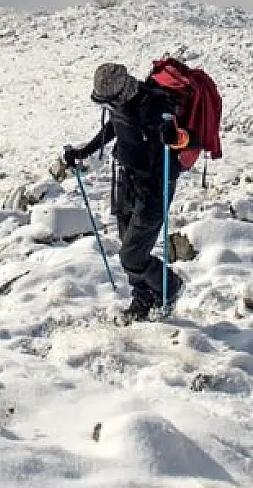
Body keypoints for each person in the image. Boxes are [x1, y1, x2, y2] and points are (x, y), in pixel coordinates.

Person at [62, 62, 186, 321]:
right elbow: (113, 129)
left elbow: (186, 138)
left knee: (131, 256)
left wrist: (172, 136)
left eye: (108, 102)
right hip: (126, 183)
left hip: (154, 188)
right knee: (128, 245)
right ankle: (142, 300)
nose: (107, 107)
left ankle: (170, 285)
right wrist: (82, 152)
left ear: (120, 92)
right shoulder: (119, 105)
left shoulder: (156, 104)